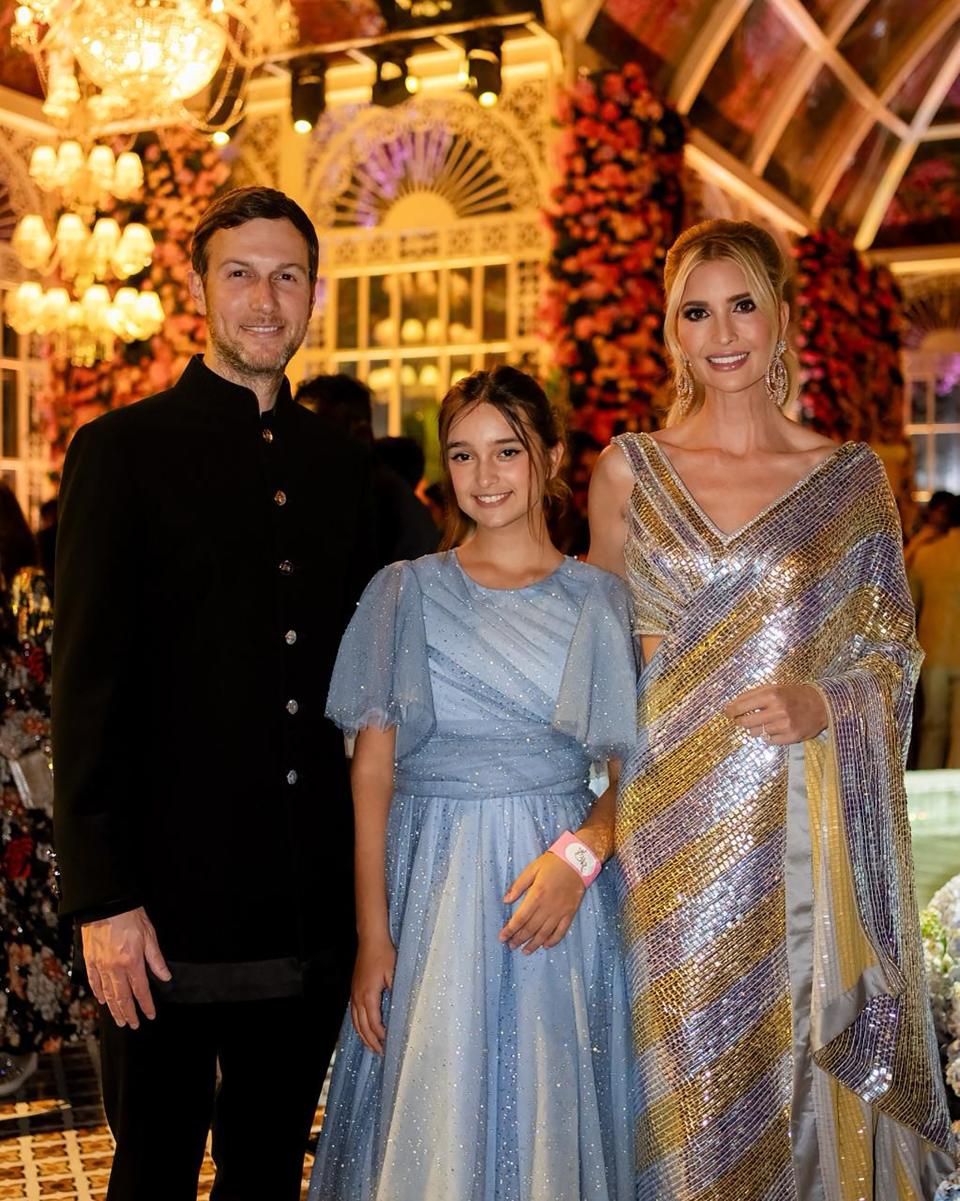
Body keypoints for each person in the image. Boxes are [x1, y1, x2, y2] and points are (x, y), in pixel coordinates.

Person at [588, 219, 955, 1199]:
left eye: (742, 302)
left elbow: (889, 652)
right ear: (670, 329)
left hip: (795, 834)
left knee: (787, 1077)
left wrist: (824, 698)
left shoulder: (844, 480)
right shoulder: (629, 468)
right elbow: (594, 665)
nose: (722, 330)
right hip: (665, 833)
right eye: (695, 309)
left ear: (783, 317)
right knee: (678, 1079)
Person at [52, 187, 376, 1200]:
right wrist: (104, 900)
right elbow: (86, 691)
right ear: (200, 290)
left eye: (287, 276)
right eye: (241, 274)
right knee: (150, 1168)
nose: (266, 299)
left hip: (305, 908)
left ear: (315, 294)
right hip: (161, 913)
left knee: (270, 1169)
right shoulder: (120, 452)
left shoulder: (347, 471)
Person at [309, 366, 636, 1200]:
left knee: (550, 1113)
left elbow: (633, 777)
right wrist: (372, 934)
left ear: (551, 457)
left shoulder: (599, 601)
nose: (484, 477)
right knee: (432, 1110)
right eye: (462, 455)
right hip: (434, 894)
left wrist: (581, 860)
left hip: (555, 897)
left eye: (506, 452)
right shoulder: (403, 593)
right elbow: (371, 773)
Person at [0, 484, 94, 1096]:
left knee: (27, 913)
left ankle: (27, 1037)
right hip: (15, 770)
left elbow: (44, 669)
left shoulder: (26, 586)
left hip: (19, 775)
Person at [296, 374, 439, 565]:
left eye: (320, 432)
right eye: (298, 428)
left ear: (360, 433)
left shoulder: (383, 503)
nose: (304, 442)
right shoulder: (310, 492)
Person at [910, 494, 960, 769]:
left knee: (933, 727)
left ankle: (928, 785)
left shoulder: (927, 555)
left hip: (934, 649)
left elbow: (908, 599)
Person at [906, 489, 954, 569]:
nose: (946, 517)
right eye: (942, 512)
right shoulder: (924, 536)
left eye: (949, 513)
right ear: (930, 511)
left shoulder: (951, 537)